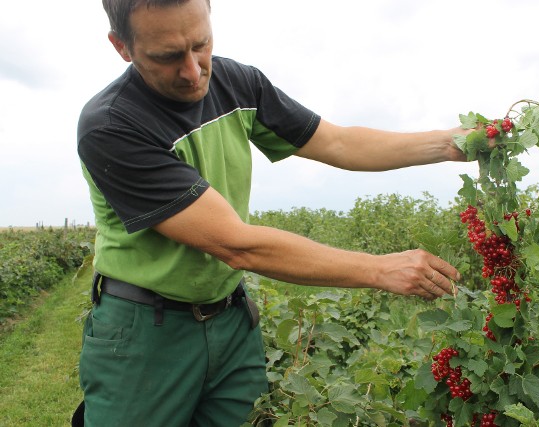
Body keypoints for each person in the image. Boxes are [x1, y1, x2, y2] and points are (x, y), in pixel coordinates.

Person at [75, 0, 471, 425]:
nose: (193, 72)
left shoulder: (236, 83)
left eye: (201, 44)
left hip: (230, 319)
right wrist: (378, 270)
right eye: (167, 56)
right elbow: (236, 245)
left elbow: (337, 143)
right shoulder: (112, 126)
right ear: (122, 47)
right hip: (145, 333)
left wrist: (449, 143)